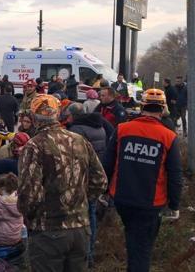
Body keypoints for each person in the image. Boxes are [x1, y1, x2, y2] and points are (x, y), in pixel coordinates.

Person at [18, 95, 107, 272]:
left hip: (48, 231)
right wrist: (80, 202)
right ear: (58, 114)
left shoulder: (34, 146)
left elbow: (29, 195)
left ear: (34, 118)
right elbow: (100, 180)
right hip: (81, 230)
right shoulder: (79, 140)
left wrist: (29, 215)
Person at [103, 88, 182, 272]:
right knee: (142, 250)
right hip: (150, 203)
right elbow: (175, 175)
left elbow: (106, 163)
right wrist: (175, 205)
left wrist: (104, 191)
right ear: (163, 110)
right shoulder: (169, 137)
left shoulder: (122, 129)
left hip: (122, 198)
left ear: (141, 107)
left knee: (134, 240)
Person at [65, 103, 109, 267]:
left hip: (80, 180)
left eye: (68, 115)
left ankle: (82, 256)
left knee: (80, 220)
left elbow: (72, 156)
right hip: (93, 178)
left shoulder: (77, 130)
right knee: (91, 216)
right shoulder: (98, 126)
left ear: (73, 115)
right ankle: (89, 255)